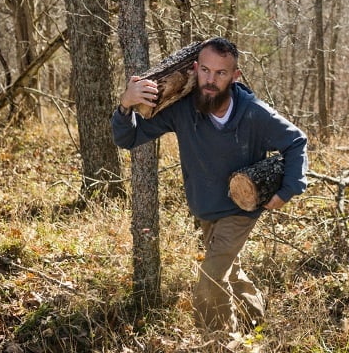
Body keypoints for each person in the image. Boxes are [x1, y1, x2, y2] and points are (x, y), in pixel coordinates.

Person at [111, 37, 308, 335]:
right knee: (230, 269)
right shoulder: (182, 110)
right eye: (205, 70)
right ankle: (255, 322)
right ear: (194, 69)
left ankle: (221, 341)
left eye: (221, 73)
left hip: (241, 209)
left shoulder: (253, 113)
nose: (210, 81)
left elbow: (296, 142)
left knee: (211, 279)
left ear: (235, 76)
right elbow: (128, 138)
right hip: (205, 207)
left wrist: (287, 190)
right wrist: (126, 105)